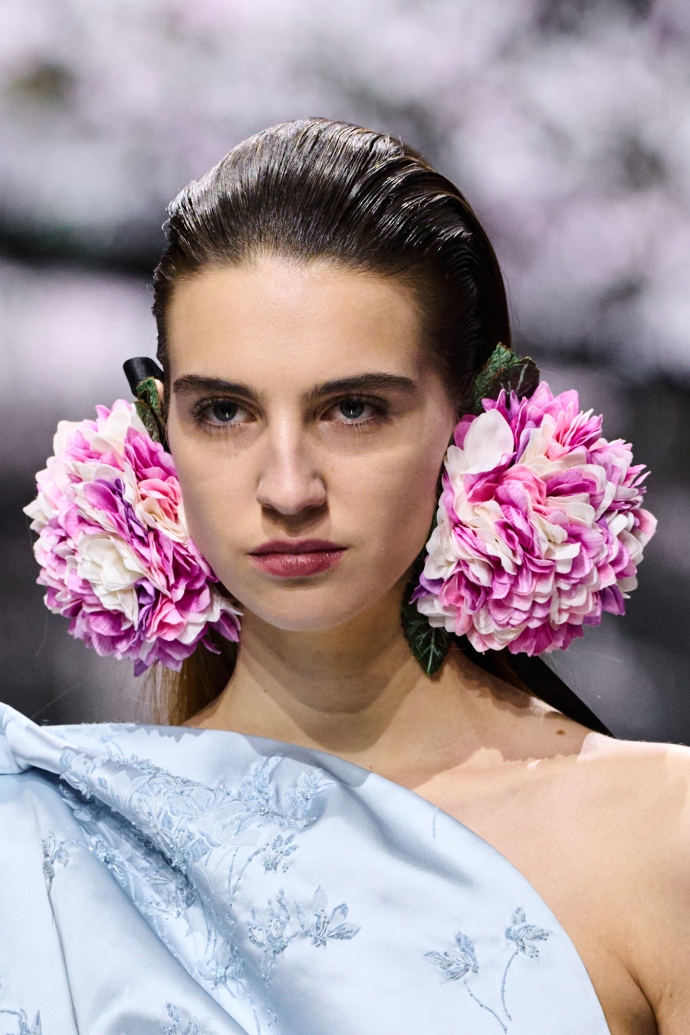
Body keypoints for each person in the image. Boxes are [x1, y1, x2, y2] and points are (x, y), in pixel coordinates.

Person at [0, 118, 683, 1035]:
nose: (288, 489)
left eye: (353, 409)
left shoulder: (655, 835)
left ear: (479, 419)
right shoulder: (48, 839)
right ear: (156, 435)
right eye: (224, 412)